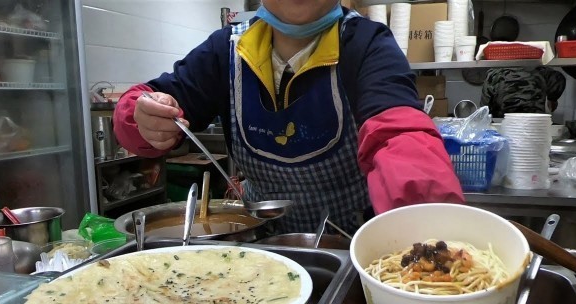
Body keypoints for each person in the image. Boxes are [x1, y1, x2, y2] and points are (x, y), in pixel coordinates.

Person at [113, 0, 464, 235]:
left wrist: (429, 223)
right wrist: (143, 118)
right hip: (257, 246)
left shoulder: (365, 45)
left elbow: (399, 134)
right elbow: (149, 100)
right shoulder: (224, 52)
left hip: (352, 248)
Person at [480, 66, 567, 118]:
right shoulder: (541, 73)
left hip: (495, 77)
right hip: (532, 125)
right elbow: (558, 79)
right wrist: (552, 99)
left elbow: (484, 113)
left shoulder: (494, 74)